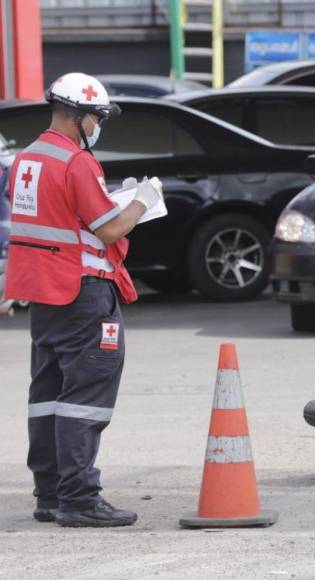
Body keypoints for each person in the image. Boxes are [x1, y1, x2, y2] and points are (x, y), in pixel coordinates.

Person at [5, 72, 163, 527]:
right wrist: (141, 202)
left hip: (44, 294)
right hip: (83, 292)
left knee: (48, 394)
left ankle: (50, 494)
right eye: (96, 116)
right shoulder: (77, 162)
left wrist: (109, 202)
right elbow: (109, 229)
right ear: (79, 115)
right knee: (86, 394)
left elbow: (59, 217)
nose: (98, 125)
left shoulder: (27, 159)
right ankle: (79, 498)